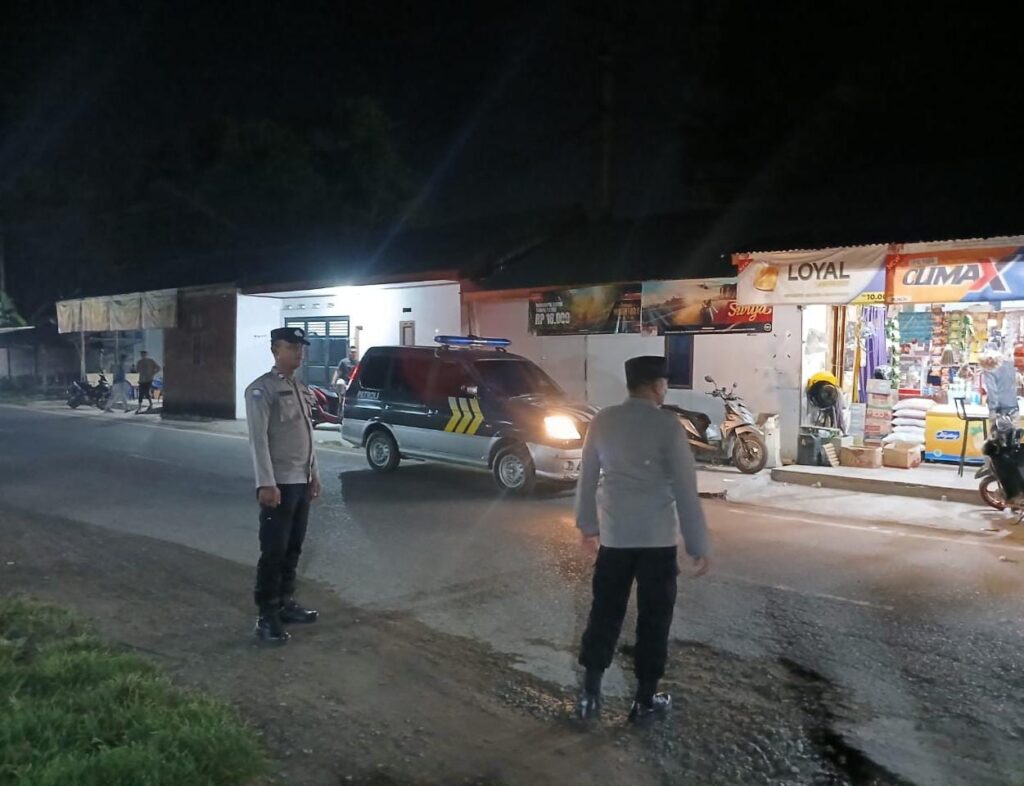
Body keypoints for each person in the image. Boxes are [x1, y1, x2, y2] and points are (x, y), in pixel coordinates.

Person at [575, 355, 711, 723]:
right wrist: (697, 544)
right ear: (656, 386)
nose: (665, 389)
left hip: (615, 539)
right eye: (664, 383)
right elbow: (685, 488)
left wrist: (588, 527)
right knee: (654, 620)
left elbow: (587, 478)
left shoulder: (603, 421)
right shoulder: (667, 425)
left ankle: (589, 696)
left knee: (605, 613)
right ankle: (644, 701)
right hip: (656, 542)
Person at [245, 326, 322, 644]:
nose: (298, 352)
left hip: (300, 481)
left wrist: (314, 474)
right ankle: (266, 616)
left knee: (293, 547)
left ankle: (285, 603)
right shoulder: (261, 389)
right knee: (273, 551)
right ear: (275, 350)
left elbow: (307, 436)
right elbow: (258, 440)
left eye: (301, 347)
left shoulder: (301, 388)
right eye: (291, 347)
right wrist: (266, 483)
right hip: (278, 484)